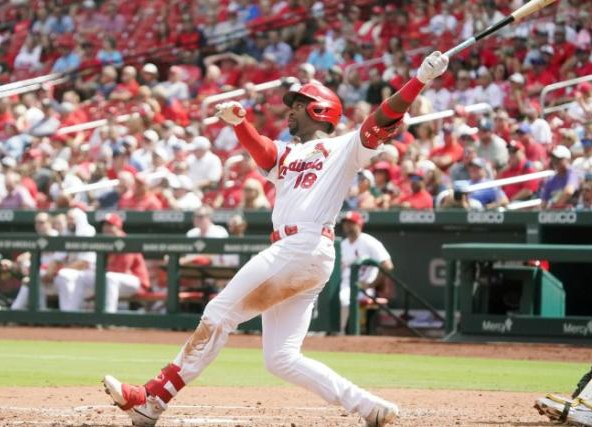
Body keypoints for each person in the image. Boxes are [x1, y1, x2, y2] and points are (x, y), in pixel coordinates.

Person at [103, 49, 449, 427]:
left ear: (319, 110)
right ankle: (371, 408)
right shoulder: (288, 153)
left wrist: (419, 81)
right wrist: (241, 124)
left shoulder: (345, 147)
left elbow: (381, 120)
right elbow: (264, 151)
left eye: (298, 104)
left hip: (304, 245)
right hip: (299, 252)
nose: (290, 110)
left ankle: (152, 398)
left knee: (219, 314)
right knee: (281, 358)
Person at [339, 211, 392, 335]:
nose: (347, 226)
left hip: (362, 287)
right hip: (344, 284)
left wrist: (371, 284)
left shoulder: (369, 242)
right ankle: (328, 331)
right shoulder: (343, 244)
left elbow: (387, 265)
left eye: (350, 223)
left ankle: (339, 332)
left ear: (359, 224)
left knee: (343, 299)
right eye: (345, 223)